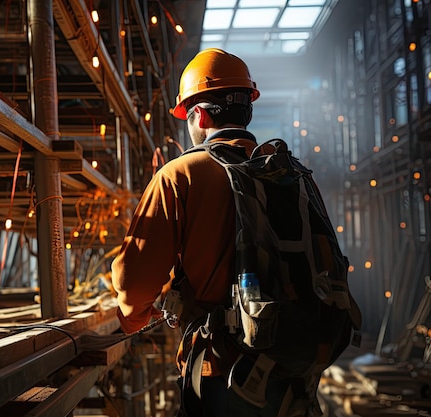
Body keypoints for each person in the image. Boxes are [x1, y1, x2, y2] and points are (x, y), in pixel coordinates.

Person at [111, 48, 316, 417]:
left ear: (198, 115)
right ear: (247, 110)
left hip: (223, 376)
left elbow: (132, 282)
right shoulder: (293, 174)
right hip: (293, 373)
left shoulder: (180, 175)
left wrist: (134, 318)